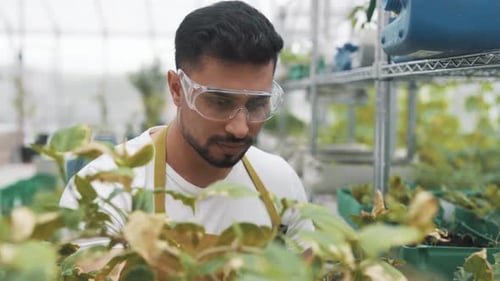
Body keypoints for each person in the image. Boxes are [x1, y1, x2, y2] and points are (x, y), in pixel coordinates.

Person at [59, 0, 313, 253]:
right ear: (177, 89)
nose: (240, 128)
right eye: (220, 102)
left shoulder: (278, 182)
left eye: (257, 104)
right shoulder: (103, 193)